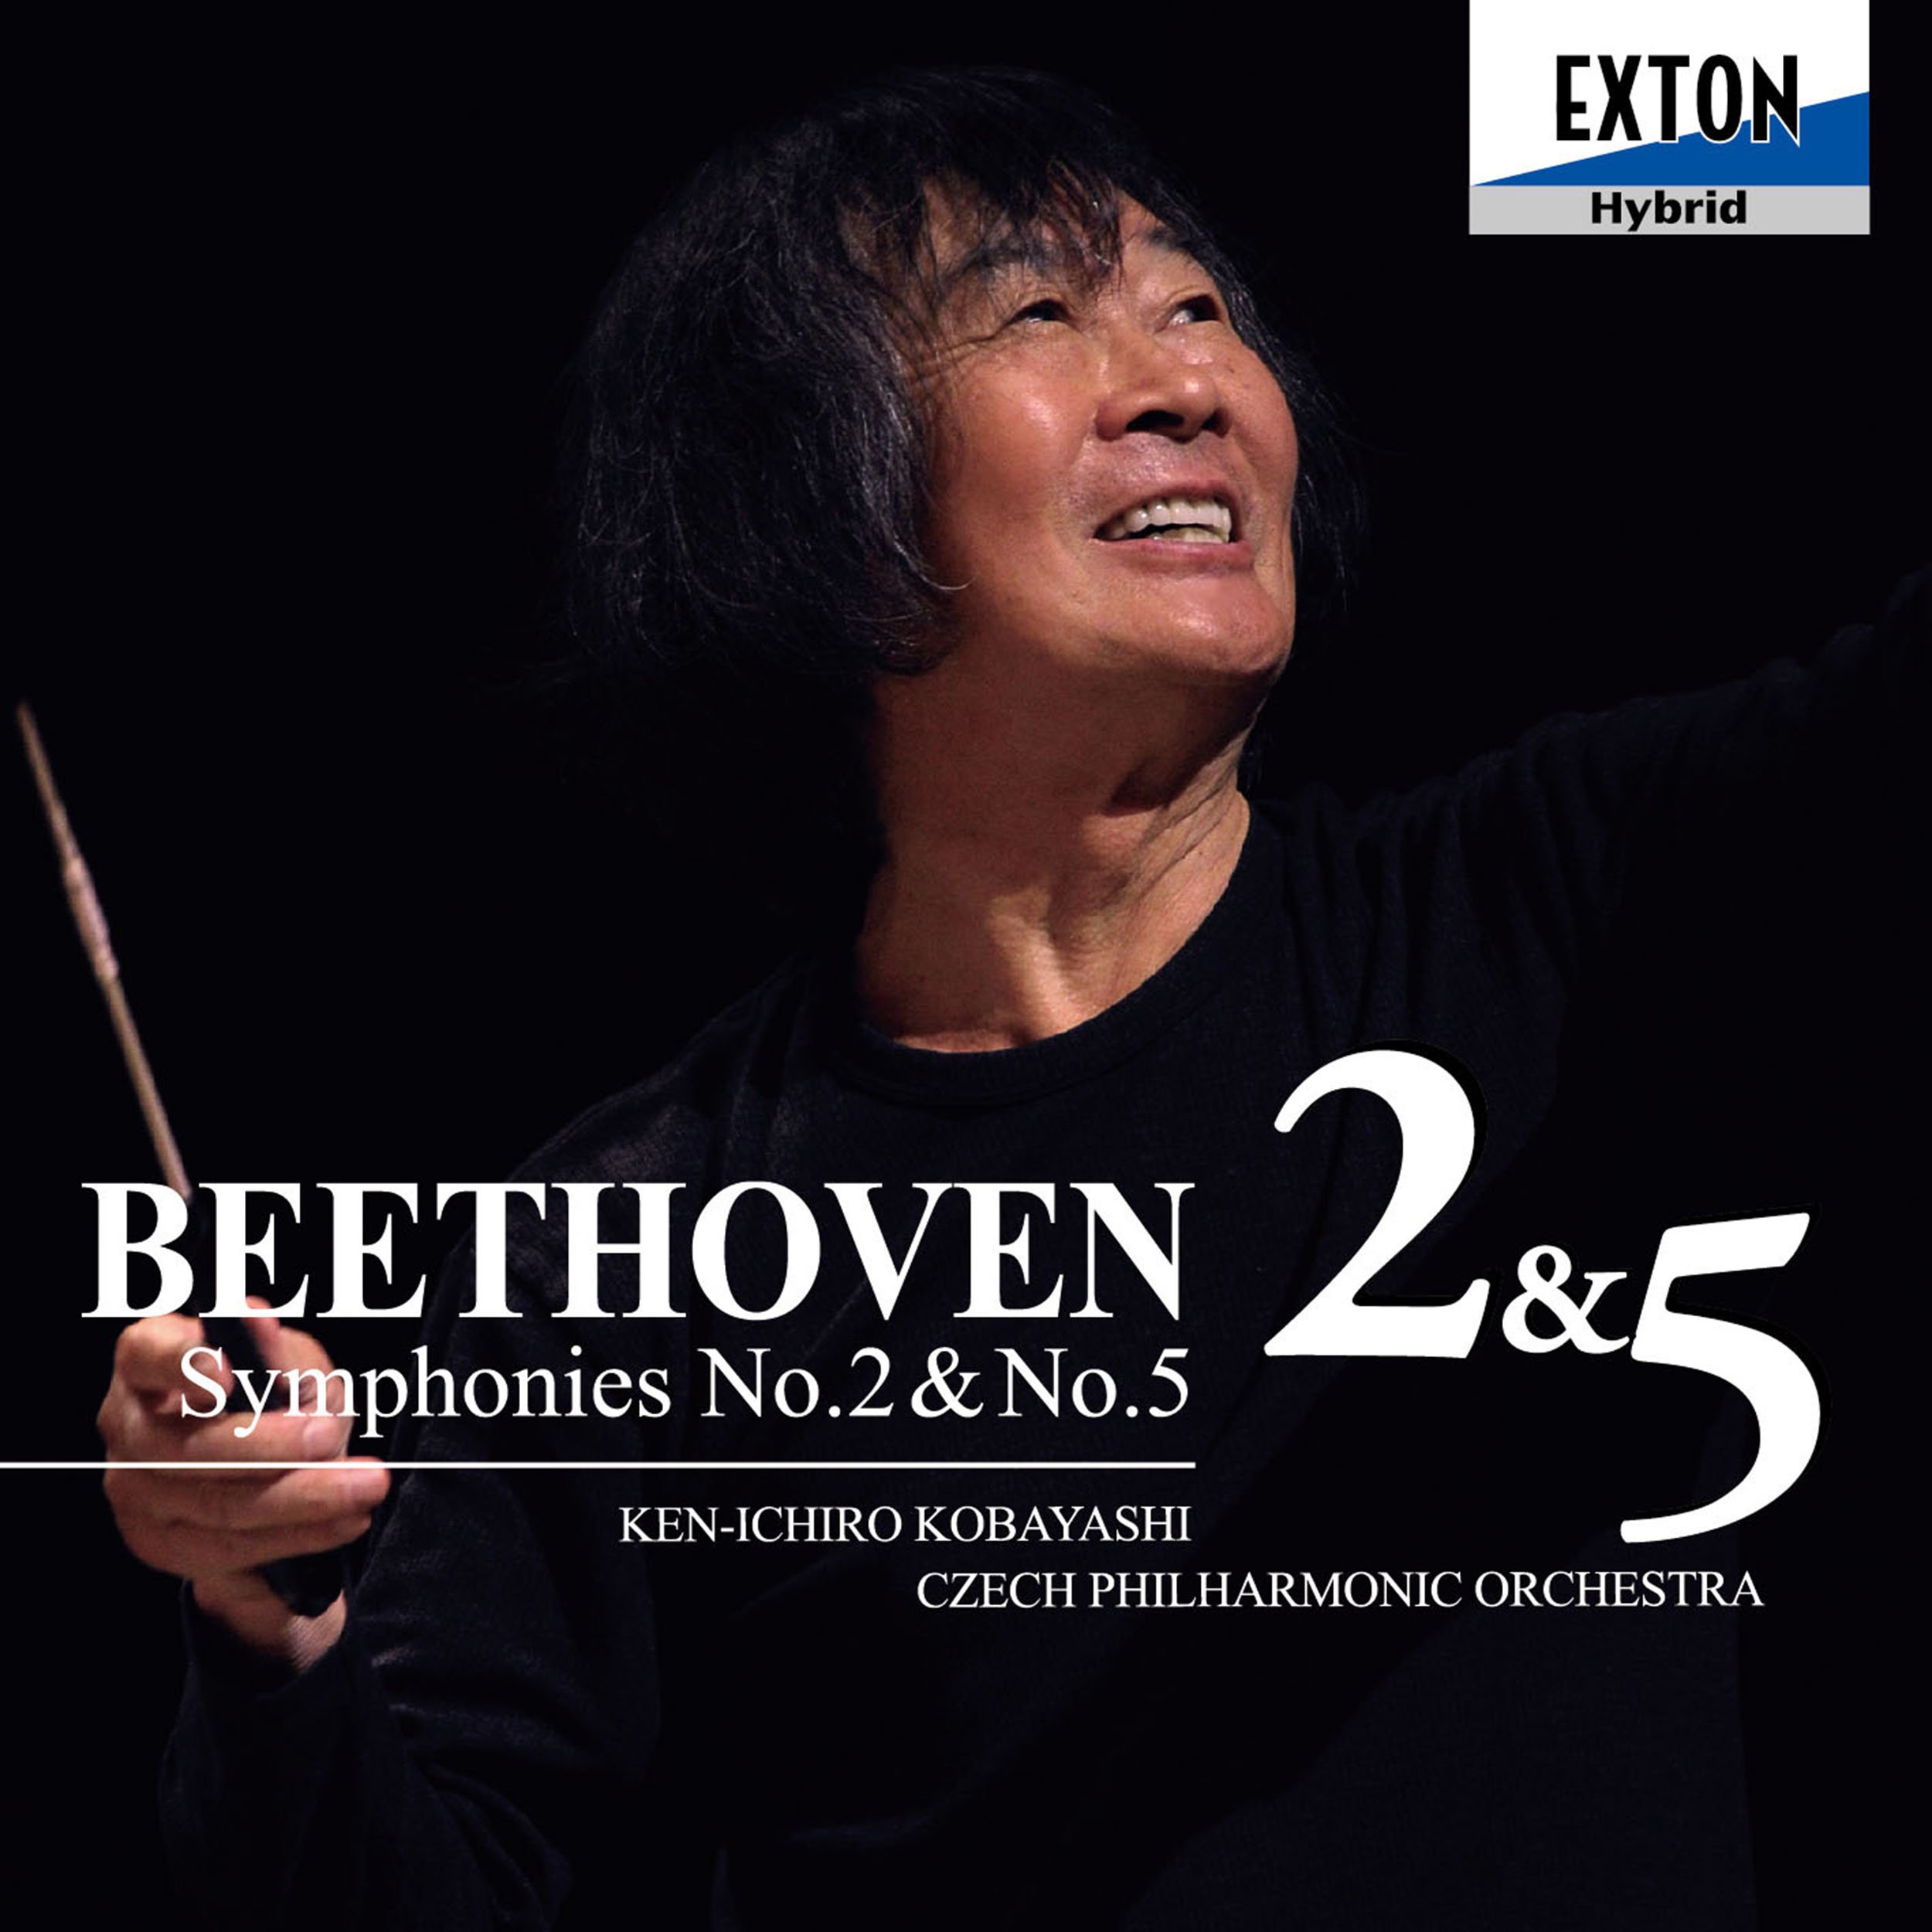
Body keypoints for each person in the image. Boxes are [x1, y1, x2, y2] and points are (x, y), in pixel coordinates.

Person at [96, 68, 1923, 1930]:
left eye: (1194, 304)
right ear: (800, 490)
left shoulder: (1563, 903)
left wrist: (1766, 100)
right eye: (1041, 310)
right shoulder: (628, 1243)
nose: (1183, 382)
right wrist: (264, 1622)